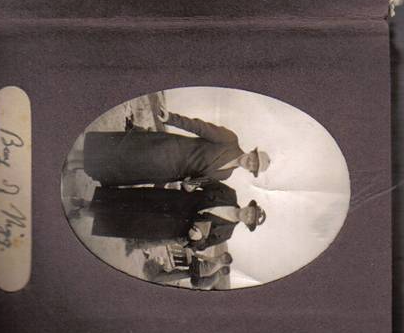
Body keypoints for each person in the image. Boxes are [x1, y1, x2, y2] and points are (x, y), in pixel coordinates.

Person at [79, 107, 271, 188]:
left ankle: (80, 166)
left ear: (251, 171)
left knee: (126, 169)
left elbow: (196, 182)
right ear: (251, 152)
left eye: (254, 166)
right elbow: (200, 127)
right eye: (254, 158)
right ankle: (78, 158)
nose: (251, 162)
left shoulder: (226, 175)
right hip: (166, 150)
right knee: (124, 153)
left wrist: (189, 187)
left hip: (167, 172)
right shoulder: (230, 140)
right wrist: (171, 118)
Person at [87, 181, 266, 250]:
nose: (248, 215)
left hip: (171, 226)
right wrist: (192, 185)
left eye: (251, 219)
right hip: (172, 200)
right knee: (135, 199)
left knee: (132, 222)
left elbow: (202, 246)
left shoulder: (226, 233)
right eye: (252, 211)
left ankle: (86, 213)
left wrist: (197, 239)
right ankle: (89, 202)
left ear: (247, 224)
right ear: (249, 206)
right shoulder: (229, 194)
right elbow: (207, 181)